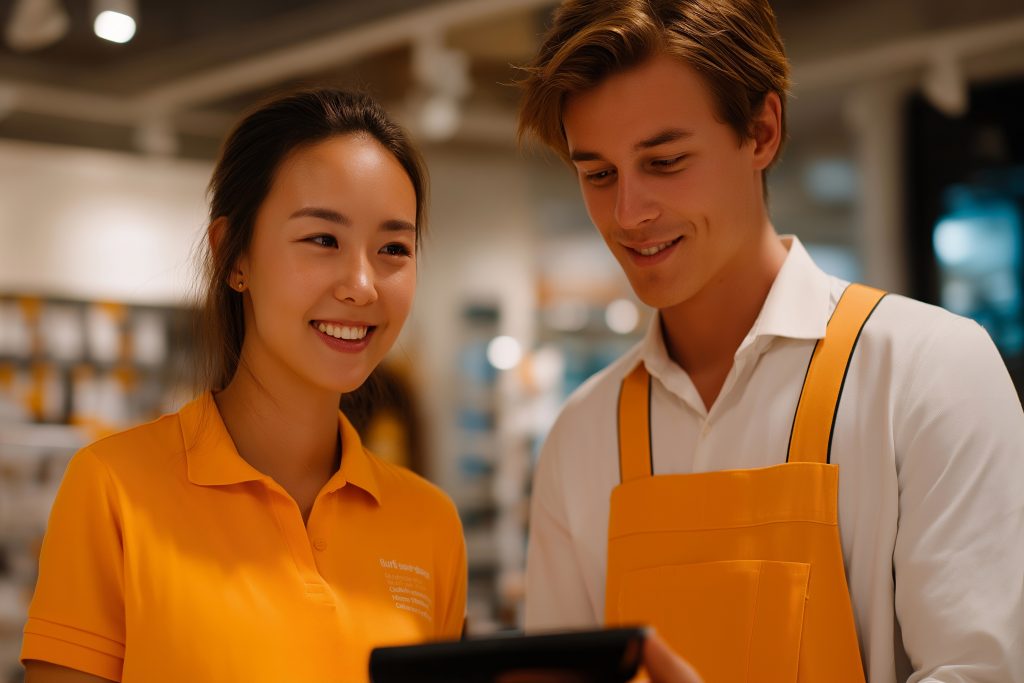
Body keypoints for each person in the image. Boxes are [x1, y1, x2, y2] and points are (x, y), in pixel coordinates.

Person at [517, 1, 1024, 681]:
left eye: (664, 161)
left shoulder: (930, 371)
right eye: (598, 174)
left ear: (761, 130)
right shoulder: (581, 435)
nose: (628, 213)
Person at [20, 88, 467, 683]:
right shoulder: (113, 490)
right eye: (323, 240)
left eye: (393, 248)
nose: (362, 284)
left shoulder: (431, 524)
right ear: (234, 256)